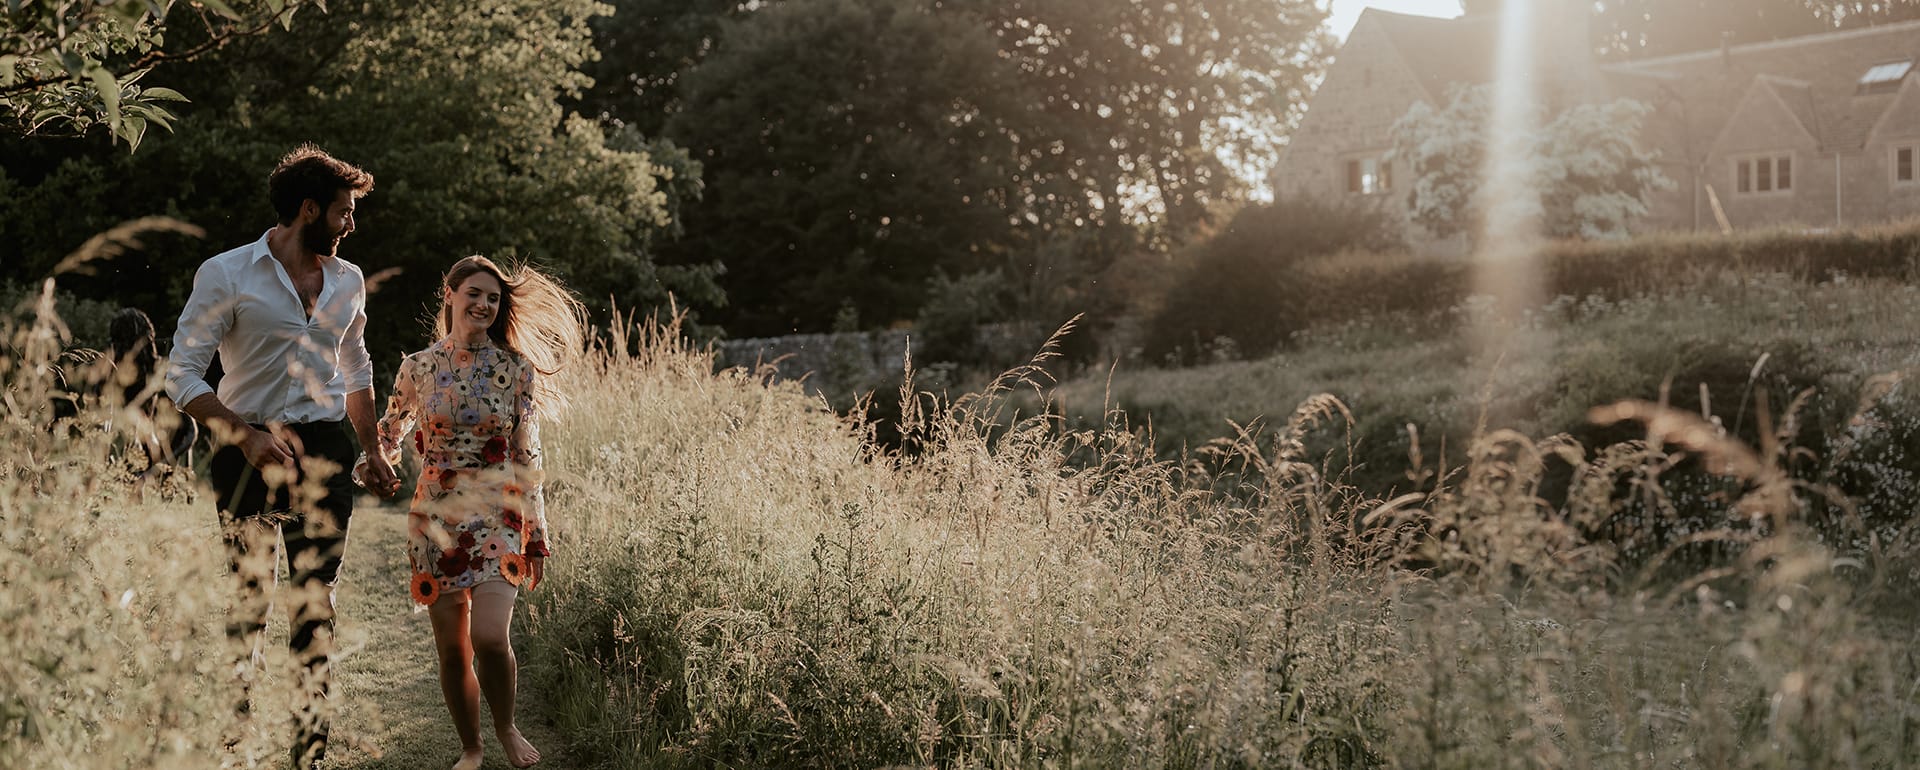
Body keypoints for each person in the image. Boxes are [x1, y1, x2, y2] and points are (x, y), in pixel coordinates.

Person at [164, 144, 398, 769]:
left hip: (323, 448)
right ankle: (235, 738)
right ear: (308, 209)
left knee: (315, 598)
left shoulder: (348, 281)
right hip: (246, 451)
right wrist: (244, 435)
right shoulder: (226, 274)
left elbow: (356, 368)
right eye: (345, 212)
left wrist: (371, 448)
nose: (352, 224)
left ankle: (308, 751)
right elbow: (182, 374)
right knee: (249, 599)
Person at [366, 255, 583, 770]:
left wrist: (537, 533)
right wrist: (373, 463)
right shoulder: (417, 367)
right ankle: (471, 747)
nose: (485, 304)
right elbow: (388, 433)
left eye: (493, 297)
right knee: (451, 650)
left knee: (488, 636)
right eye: (475, 294)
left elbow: (528, 456)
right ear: (450, 294)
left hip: (498, 516)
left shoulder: (516, 371)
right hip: (434, 520)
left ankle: (505, 726)